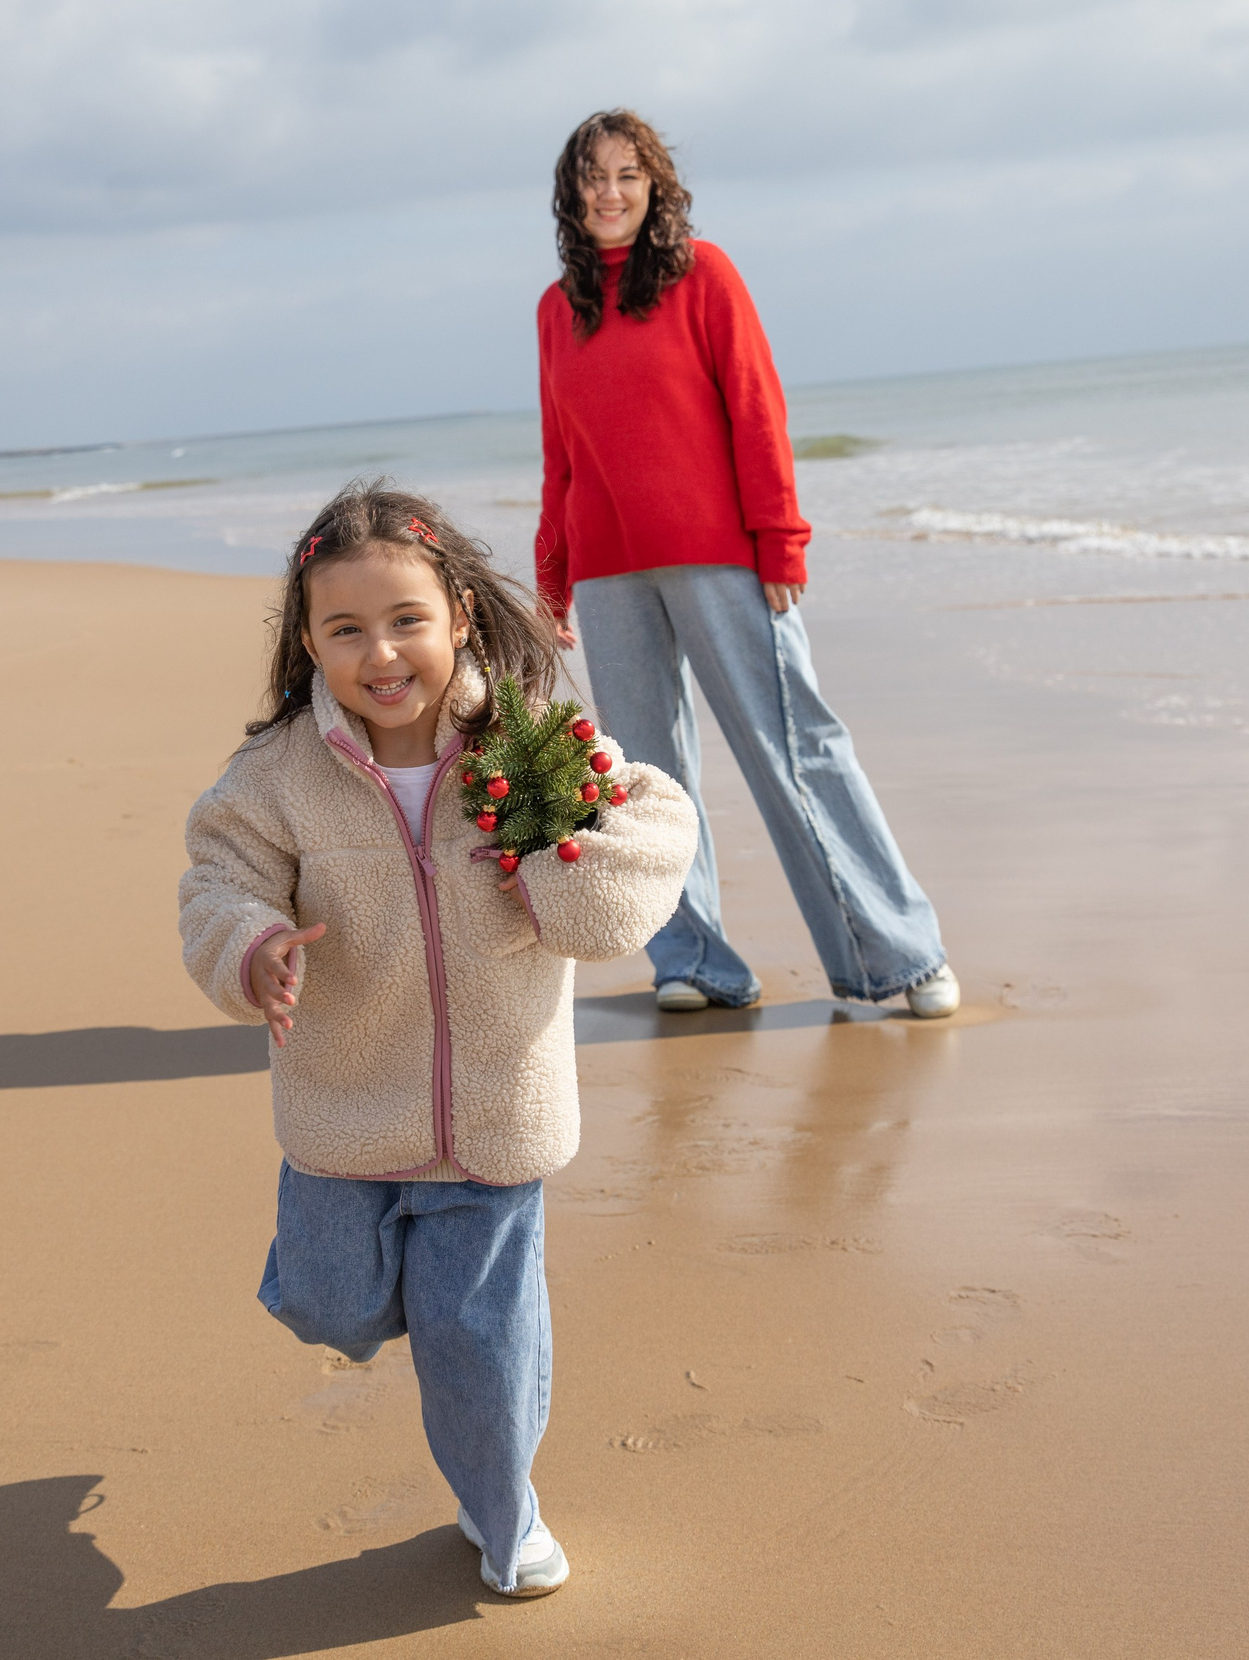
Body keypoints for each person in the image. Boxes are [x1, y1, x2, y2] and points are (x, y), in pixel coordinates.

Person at [180, 481, 697, 1599]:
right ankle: (419, 1305)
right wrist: (256, 944)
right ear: (307, 640)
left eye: (406, 619)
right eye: (346, 629)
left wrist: (574, 865)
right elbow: (218, 879)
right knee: (331, 1304)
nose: (381, 653)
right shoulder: (277, 778)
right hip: (343, 1104)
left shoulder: (527, 744)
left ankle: (502, 1515)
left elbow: (656, 815)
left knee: (476, 1339)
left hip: (496, 1118)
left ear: (459, 611)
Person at [534, 109, 959, 1020]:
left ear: (655, 189)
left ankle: (901, 954)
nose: (610, 193)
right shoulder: (556, 307)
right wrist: (554, 570)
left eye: (628, 175)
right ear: (571, 195)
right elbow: (560, 452)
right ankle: (694, 961)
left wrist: (780, 540)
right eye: (593, 177)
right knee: (645, 779)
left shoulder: (703, 275)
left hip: (718, 556)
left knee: (793, 750)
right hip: (611, 570)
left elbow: (755, 410)